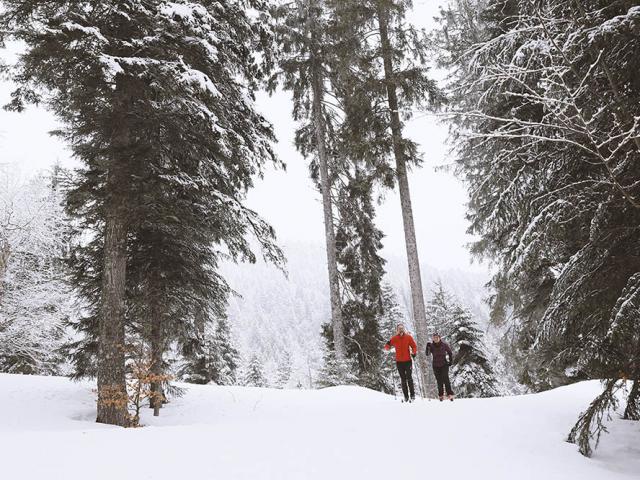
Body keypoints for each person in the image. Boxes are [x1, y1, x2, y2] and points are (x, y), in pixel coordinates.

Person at [384, 323, 418, 402]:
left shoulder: (408, 337)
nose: (401, 330)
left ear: (404, 329)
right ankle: (406, 396)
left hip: (408, 361)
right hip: (399, 362)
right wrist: (388, 344)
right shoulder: (394, 338)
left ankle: (412, 395)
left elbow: (414, 346)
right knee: (403, 379)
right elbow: (386, 348)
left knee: (409, 378)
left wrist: (414, 352)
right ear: (397, 330)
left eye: (402, 328)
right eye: (399, 329)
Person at [426, 332, 454, 401]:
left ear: (439, 338)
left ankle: (450, 394)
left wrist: (450, 361)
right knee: (439, 381)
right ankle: (441, 395)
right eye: (434, 338)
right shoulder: (432, 346)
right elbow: (428, 354)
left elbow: (450, 352)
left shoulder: (444, 345)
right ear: (433, 338)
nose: (435, 339)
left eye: (437, 337)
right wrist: (427, 347)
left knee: (446, 379)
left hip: (444, 364)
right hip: (435, 365)